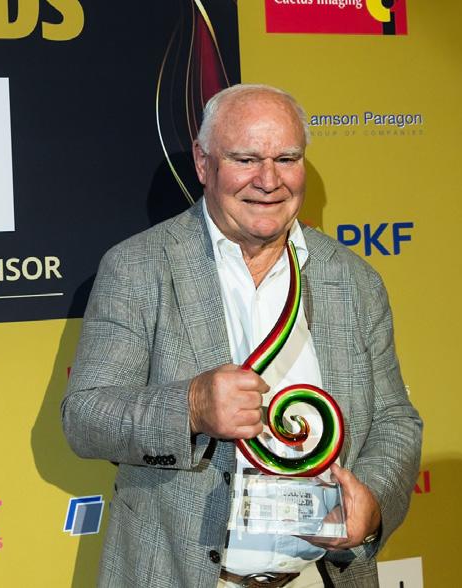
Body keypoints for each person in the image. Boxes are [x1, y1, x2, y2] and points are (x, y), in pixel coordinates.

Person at [62, 84, 422, 588]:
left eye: (286, 158)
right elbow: (85, 416)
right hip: (186, 576)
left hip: (320, 576)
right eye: (246, 159)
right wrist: (190, 406)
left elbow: (394, 419)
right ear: (204, 164)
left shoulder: (353, 279)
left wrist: (374, 500)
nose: (269, 181)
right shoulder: (139, 267)